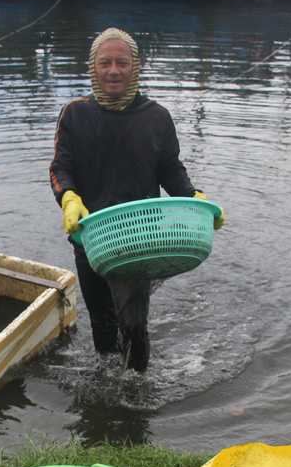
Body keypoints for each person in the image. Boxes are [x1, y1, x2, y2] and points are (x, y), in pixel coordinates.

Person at [49, 27, 224, 372]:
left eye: (122, 63)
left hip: (139, 239)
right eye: (105, 63)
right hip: (91, 237)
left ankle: (137, 396)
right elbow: (60, 166)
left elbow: (170, 170)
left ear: (135, 67)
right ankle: (106, 390)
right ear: (93, 67)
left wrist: (196, 198)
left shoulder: (155, 116)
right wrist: (69, 198)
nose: (113, 70)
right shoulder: (75, 114)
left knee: (132, 325)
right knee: (102, 325)